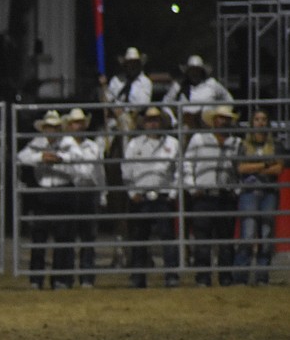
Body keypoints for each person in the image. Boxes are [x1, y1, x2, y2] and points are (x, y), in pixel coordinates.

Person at [16, 109, 84, 289]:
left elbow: (78, 156)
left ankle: (61, 279)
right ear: (44, 128)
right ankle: (36, 280)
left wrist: (59, 157)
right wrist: (41, 157)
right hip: (43, 193)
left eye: (54, 127)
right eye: (48, 127)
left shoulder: (68, 141)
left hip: (64, 191)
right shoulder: (37, 143)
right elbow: (21, 157)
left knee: (64, 238)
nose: (51, 130)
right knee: (39, 238)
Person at [121, 106, 182, 288]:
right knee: (139, 238)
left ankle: (171, 275)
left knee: (167, 237)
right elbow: (126, 170)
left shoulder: (172, 143)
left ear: (161, 122)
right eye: (149, 120)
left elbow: (178, 170)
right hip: (141, 197)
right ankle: (138, 276)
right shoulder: (134, 144)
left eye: (155, 119)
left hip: (163, 196)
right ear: (144, 123)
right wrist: (132, 193)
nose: (152, 123)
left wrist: (172, 193)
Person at [182, 104, 241, 287]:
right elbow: (187, 164)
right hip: (204, 195)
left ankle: (225, 277)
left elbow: (238, 170)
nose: (223, 121)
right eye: (220, 117)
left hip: (225, 195)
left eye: (226, 118)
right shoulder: (199, 139)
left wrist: (236, 190)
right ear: (214, 120)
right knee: (202, 239)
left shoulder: (235, 143)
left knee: (226, 240)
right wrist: (192, 188)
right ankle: (203, 277)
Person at [233, 109, 284, 285]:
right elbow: (240, 168)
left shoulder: (276, 144)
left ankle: (262, 276)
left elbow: (278, 169)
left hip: (268, 193)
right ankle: (241, 276)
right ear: (252, 123)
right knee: (248, 233)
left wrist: (253, 166)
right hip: (250, 192)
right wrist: (264, 164)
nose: (260, 123)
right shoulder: (244, 145)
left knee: (266, 234)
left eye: (263, 119)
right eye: (257, 119)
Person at [63, 108, 105, 288]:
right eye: (75, 122)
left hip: (89, 191)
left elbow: (99, 171)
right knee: (68, 237)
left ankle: (86, 277)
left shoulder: (93, 146)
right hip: (70, 191)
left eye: (80, 122)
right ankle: (67, 277)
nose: (78, 125)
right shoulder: (63, 144)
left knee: (88, 237)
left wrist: (103, 193)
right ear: (70, 126)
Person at [164, 55, 233, 140]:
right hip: (187, 129)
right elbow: (165, 104)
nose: (194, 73)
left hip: (209, 127)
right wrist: (174, 122)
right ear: (187, 72)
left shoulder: (212, 84)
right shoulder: (179, 86)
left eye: (197, 70)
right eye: (192, 71)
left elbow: (229, 99)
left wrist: (221, 116)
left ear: (202, 71)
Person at [99, 46, 153, 154]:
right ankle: (102, 162)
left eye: (134, 63)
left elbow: (143, 103)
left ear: (139, 65)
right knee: (100, 141)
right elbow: (108, 98)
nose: (131, 66)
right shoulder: (117, 80)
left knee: (125, 126)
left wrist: (124, 111)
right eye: (129, 63)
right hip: (114, 117)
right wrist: (103, 87)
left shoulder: (145, 82)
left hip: (135, 117)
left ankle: (126, 157)